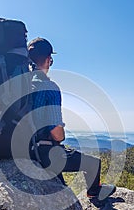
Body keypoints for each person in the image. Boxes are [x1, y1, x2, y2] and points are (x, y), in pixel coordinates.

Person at [28, 37, 116, 200]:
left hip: (19, 151)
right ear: (48, 60)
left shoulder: (17, 84)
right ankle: (94, 192)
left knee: (63, 191)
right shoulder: (49, 87)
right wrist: (61, 136)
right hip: (42, 153)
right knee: (93, 164)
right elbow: (57, 134)